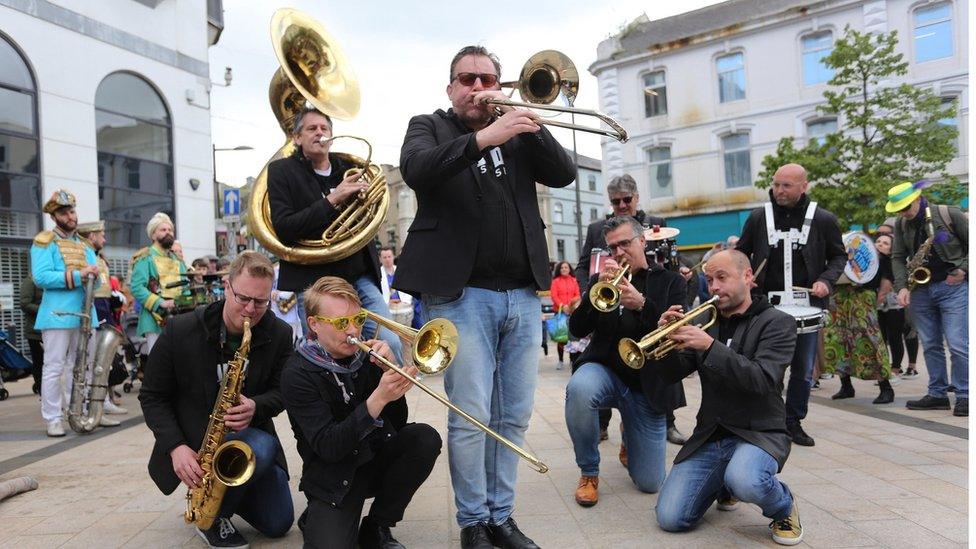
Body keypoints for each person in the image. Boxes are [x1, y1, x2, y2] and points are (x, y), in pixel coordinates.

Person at [395, 45, 576, 549]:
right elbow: (417, 169)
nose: (479, 88)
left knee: (513, 416)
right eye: (468, 80)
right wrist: (484, 137)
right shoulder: (428, 125)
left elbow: (563, 173)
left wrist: (530, 125)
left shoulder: (518, 131)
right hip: (460, 294)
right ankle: (472, 521)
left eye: (488, 79)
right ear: (450, 87)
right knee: (472, 415)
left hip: (520, 293)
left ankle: (502, 516)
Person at [139, 251, 294, 548]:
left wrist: (257, 406)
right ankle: (212, 516)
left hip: (248, 445)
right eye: (243, 298)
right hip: (197, 446)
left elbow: (284, 390)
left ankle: (228, 492)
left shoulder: (279, 333)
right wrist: (175, 447)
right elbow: (152, 396)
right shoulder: (180, 330)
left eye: (261, 302)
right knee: (261, 448)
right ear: (226, 286)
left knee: (278, 524)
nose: (250, 309)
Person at [653, 250, 802, 546]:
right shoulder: (709, 321)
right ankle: (724, 482)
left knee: (747, 480)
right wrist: (664, 340)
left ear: (748, 277)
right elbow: (672, 375)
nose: (714, 287)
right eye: (709, 279)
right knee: (670, 518)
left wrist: (710, 348)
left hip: (758, 432)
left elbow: (762, 380)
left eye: (722, 277)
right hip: (712, 432)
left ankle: (783, 506)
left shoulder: (778, 322)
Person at [281, 276, 441, 548]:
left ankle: (377, 526)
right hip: (334, 476)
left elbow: (397, 423)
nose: (353, 330)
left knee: (423, 438)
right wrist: (377, 398)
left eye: (357, 319)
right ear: (314, 324)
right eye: (342, 323)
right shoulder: (297, 374)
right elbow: (329, 446)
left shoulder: (366, 356)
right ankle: (317, 515)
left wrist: (389, 373)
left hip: (374, 458)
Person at [565, 216, 687, 507]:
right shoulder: (600, 282)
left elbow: (676, 335)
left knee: (649, 483)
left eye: (624, 244)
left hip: (647, 386)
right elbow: (577, 329)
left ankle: (628, 435)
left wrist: (643, 304)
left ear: (642, 241)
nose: (618, 253)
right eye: (612, 248)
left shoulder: (671, 282)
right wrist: (594, 296)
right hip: (605, 372)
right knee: (579, 389)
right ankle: (589, 472)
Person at [266, 107, 403, 364]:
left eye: (324, 128)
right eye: (311, 128)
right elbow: (284, 229)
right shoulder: (281, 171)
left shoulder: (349, 167)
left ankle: (387, 399)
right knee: (325, 354)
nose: (319, 133)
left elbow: (369, 217)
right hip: (314, 280)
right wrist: (333, 199)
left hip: (358, 274)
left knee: (390, 341)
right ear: (296, 138)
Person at [736, 163, 846, 447]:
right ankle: (768, 419)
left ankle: (793, 420)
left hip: (807, 305)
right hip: (765, 307)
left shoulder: (823, 219)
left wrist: (826, 280)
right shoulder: (759, 217)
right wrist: (746, 276)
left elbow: (838, 257)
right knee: (766, 364)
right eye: (776, 184)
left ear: (803, 186)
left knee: (803, 368)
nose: (779, 191)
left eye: (786, 185)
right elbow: (741, 254)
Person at [887, 181, 968, 416]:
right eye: (899, 209)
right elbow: (898, 256)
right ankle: (937, 394)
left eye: (906, 206)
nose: (904, 213)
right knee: (931, 344)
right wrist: (902, 287)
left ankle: (965, 395)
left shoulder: (948, 213)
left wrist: (963, 269)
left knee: (958, 343)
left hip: (953, 287)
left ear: (918, 198)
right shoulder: (902, 224)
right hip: (920, 289)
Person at [30, 190, 101, 437]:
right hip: (57, 314)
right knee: (53, 366)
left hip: (85, 314)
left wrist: (94, 276)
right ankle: (53, 418)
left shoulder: (84, 245)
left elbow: (99, 283)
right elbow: (41, 277)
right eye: (64, 212)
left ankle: (78, 412)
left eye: (71, 211)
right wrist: (80, 275)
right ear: (54, 216)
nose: (70, 216)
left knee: (83, 366)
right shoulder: (44, 242)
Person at [574, 174, 666, 291]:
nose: (622, 205)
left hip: (652, 292)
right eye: (616, 201)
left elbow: (671, 258)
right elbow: (582, 269)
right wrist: (587, 294)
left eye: (627, 199)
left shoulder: (656, 223)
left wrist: (682, 270)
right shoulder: (596, 229)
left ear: (636, 197)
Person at [77, 220, 129, 418]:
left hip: (104, 308)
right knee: (93, 362)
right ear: (91, 236)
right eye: (101, 235)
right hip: (95, 308)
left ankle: (102, 401)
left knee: (102, 361)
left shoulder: (99, 258)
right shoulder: (87, 258)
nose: (104, 239)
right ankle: (92, 405)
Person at [129, 212, 189, 354]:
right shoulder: (145, 257)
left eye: (170, 230)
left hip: (178, 318)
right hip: (154, 319)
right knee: (158, 363)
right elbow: (137, 287)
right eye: (163, 230)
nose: (168, 233)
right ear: (153, 235)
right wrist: (160, 302)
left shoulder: (177, 260)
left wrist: (186, 301)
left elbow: (186, 286)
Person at [874, 233, 919, 378]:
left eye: (886, 243)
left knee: (894, 337)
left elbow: (886, 287)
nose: (880, 244)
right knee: (882, 338)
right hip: (879, 306)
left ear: (892, 249)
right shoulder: (871, 262)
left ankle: (895, 368)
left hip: (894, 305)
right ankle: (885, 368)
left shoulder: (892, 263)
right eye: (878, 241)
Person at [549, 261, 580, 369]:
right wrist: (563, 306)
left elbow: (577, 295)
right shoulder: (555, 281)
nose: (564, 269)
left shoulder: (574, 281)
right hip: (560, 312)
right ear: (559, 270)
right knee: (561, 338)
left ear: (569, 269)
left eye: (566, 267)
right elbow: (554, 296)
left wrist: (571, 306)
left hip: (572, 313)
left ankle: (572, 360)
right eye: (562, 267)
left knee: (572, 338)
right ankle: (560, 360)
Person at [19, 273, 43, 395]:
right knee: (39, 361)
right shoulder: (30, 281)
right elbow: (24, 304)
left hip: (49, 328)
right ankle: (41, 388)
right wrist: (43, 310)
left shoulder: (47, 280)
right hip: (35, 331)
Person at [271, 261, 302, 343]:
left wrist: (278, 294)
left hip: (292, 314)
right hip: (279, 313)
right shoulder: (274, 270)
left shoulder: (294, 271)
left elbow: (292, 292)